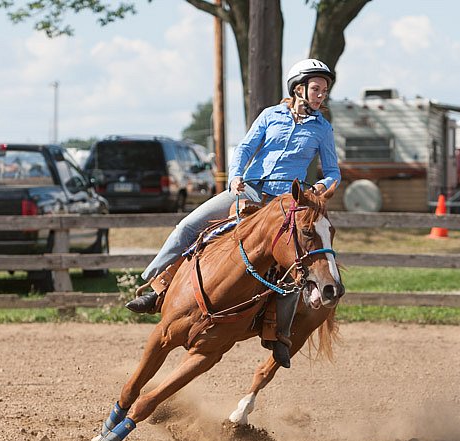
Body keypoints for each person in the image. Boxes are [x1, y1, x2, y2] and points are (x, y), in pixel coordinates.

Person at [125, 58, 341, 368]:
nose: (322, 96)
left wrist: (320, 187)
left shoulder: (322, 129)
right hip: (248, 190)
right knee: (189, 227)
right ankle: (154, 285)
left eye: (325, 91)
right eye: (317, 89)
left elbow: (333, 171)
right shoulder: (270, 116)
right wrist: (236, 175)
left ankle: (279, 333)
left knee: (295, 266)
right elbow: (245, 147)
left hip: (283, 203)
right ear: (299, 88)